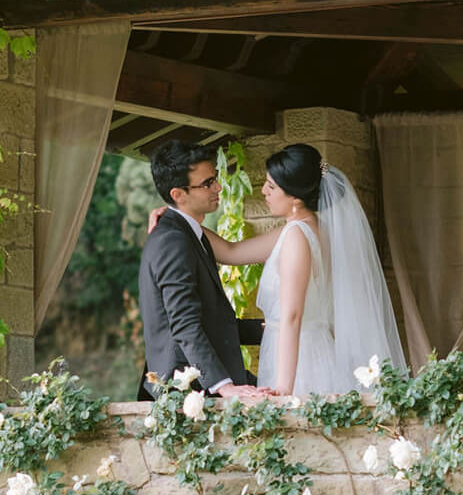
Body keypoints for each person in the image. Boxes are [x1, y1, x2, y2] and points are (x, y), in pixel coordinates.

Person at [179, 142, 407, 397]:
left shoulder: (297, 237)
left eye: (272, 186)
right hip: (308, 350)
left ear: (295, 198)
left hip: (301, 363)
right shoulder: (309, 230)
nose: (264, 191)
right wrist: (180, 221)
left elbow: (292, 316)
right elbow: (230, 252)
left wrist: (284, 389)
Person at [137, 140, 267, 402]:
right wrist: (224, 386)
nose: (218, 187)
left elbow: (213, 323)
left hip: (199, 385)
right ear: (178, 194)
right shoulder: (172, 241)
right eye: (208, 183)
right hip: (185, 393)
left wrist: (271, 329)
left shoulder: (189, 234)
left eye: (216, 179)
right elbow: (184, 324)